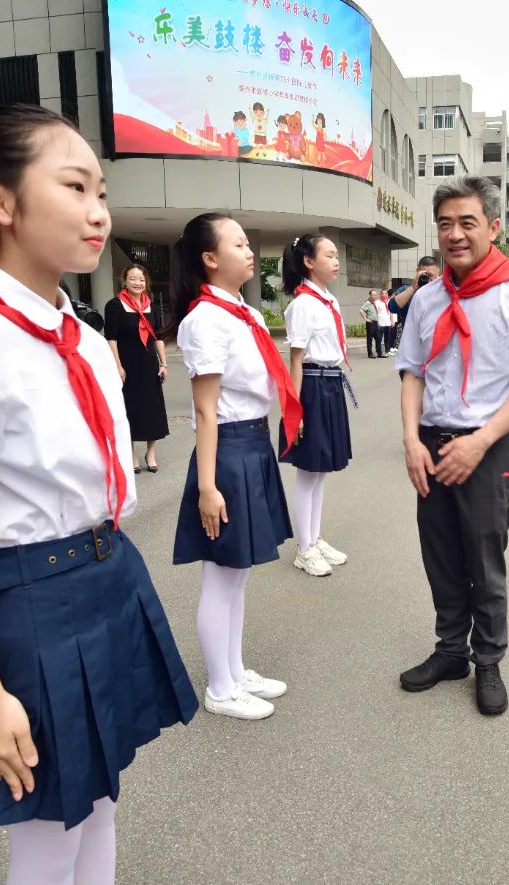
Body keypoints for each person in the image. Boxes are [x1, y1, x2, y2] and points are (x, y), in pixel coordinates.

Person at [0, 104, 197, 882]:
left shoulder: (82, 334)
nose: (100, 212)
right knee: (52, 826)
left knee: (99, 801)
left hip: (105, 574)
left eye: (102, 191)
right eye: (76, 187)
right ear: (0, 201)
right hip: (32, 601)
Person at [395, 176, 509, 715]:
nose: (455, 235)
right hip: (432, 445)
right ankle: (450, 651)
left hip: (488, 448)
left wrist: (481, 441)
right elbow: (412, 373)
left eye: (467, 223)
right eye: (445, 224)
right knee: (440, 554)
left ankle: (488, 659)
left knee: (484, 560)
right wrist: (411, 441)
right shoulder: (427, 299)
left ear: (493, 226)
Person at [170, 213, 301, 721]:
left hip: (252, 444)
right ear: (210, 258)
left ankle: (235, 668)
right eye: (239, 244)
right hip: (225, 453)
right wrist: (207, 487)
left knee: (238, 573)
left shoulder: (239, 312)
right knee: (221, 577)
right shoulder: (204, 319)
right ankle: (219, 687)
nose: (250, 252)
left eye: (249, 243)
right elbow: (205, 410)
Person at [279, 234, 353, 577]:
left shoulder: (329, 301)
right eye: (330, 255)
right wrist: (296, 410)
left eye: (337, 255)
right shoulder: (302, 305)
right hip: (310, 386)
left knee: (321, 471)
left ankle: (315, 537)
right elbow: (295, 361)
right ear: (309, 261)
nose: (336, 261)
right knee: (308, 472)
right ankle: (304, 548)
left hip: (331, 383)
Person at [105, 264, 169, 473]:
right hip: (127, 365)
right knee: (129, 409)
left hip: (149, 364)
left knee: (152, 408)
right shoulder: (114, 305)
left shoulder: (151, 306)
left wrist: (164, 363)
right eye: (133, 279)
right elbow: (111, 339)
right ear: (125, 281)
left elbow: (157, 337)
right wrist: (117, 366)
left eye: (141, 279)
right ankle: (131, 454)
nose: (138, 283)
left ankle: (151, 453)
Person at [389, 256, 437, 347]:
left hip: (437, 343)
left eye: (431, 275)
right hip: (412, 344)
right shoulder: (407, 289)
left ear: (438, 272)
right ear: (417, 271)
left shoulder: (444, 290)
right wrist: (413, 288)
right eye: (425, 276)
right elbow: (392, 307)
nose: (428, 279)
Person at [361, 289, 383, 358]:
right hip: (370, 323)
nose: (375, 296)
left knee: (378, 338)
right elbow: (361, 311)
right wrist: (366, 319)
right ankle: (370, 354)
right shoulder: (367, 303)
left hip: (375, 323)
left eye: (376, 295)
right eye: (373, 295)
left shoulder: (374, 303)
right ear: (370, 295)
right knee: (370, 339)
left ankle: (379, 353)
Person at [376, 287, 394, 356]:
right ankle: (379, 351)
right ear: (380, 294)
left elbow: (391, 312)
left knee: (388, 337)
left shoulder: (389, 301)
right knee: (379, 338)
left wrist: (392, 320)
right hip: (380, 323)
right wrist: (377, 322)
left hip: (388, 322)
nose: (384, 295)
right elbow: (376, 312)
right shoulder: (377, 302)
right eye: (382, 293)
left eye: (385, 293)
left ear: (387, 294)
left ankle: (387, 350)